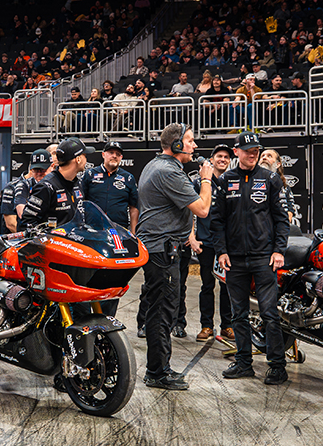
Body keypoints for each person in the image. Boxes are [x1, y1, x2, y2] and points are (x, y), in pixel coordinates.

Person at [135, 123, 214, 391]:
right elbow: (202, 209)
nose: (195, 146)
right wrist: (206, 178)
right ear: (176, 145)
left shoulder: (156, 165)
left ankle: (160, 367)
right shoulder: (169, 171)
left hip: (161, 248)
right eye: (190, 141)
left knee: (163, 310)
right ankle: (156, 372)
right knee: (162, 312)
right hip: (162, 251)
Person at [210, 131, 290, 385]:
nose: (253, 153)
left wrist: (279, 250)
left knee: (269, 314)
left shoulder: (269, 179)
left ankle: (277, 366)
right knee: (239, 315)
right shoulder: (225, 181)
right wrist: (221, 251)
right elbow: (217, 221)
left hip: (263, 258)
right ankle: (244, 363)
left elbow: (281, 220)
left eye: (256, 149)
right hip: (234, 260)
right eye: (248, 150)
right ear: (237, 152)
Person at [79, 140, 138, 315]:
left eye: (118, 154)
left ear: (121, 158)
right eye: (111, 152)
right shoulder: (89, 175)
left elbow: (134, 208)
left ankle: (107, 317)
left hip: (117, 236)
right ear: (103, 155)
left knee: (113, 276)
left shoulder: (128, 178)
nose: (114, 156)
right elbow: (80, 203)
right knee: (89, 273)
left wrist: (133, 233)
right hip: (92, 234)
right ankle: (84, 314)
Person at [190, 144, 234, 343]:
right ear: (212, 159)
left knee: (227, 287)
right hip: (206, 242)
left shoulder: (234, 181)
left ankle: (227, 326)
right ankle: (206, 326)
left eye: (226, 156)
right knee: (207, 285)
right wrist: (191, 236)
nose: (222, 159)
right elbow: (188, 212)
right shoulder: (200, 181)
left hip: (227, 244)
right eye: (219, 156)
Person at [19, 138, 92, 230]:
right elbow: (27, 222)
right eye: (84, 155)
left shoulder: (77, 183)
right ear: (78, 159)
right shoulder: (46, 187)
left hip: (74, 241)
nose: (86, 160)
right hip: (53, 243)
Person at [2, 150, 50, 232]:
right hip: (20, 237)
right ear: (31, 169)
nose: (39, 173)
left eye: (42, 170)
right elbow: (11, 223)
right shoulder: (14, 186)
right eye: (36, 170)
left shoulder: (52, 185)